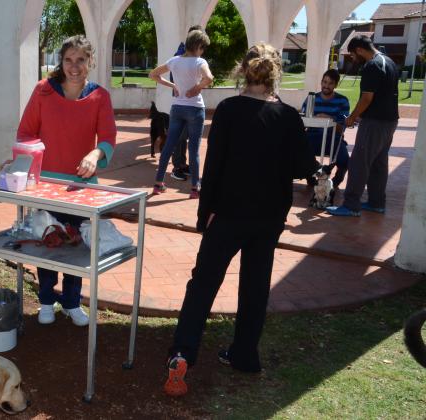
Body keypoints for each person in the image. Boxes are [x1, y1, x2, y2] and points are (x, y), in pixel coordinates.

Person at [162, 43, 319, 397]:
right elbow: (303, 167)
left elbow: (213, 167)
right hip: (268, 218)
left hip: (229, 214)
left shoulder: (230, 110)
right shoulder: (289, 116)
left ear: (243, 70)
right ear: (275, 73)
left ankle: (183, 352)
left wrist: (206, 216)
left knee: (203, 284)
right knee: (255, 285)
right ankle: (245, 355)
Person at [16, 35, 117, 327]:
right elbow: (25, 133)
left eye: (81, 60)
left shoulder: (101, 96)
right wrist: (27, 162)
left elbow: (108, 138)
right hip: (46, 184)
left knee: (76, 246)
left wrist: (95, 154)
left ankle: (72, 302)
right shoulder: (43, 91)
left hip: (81, 187)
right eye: (69, 60)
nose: (74, 67)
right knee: (48, 240)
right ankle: (46, 300)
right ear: (61, 61)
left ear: (90, 62)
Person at [327, 35, 398, 217]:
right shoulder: (388, 61)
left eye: (352, 54)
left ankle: (351, 205)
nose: (352, 58)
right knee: (378, 163)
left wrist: (352, 117)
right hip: (389, 121)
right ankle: (376, 203)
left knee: (359, 162)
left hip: (374, 123)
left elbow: (367, 98)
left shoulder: (371, 66)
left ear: (359, 50)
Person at [149, 30, 213, 199]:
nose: (202, 51)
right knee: (194, 150)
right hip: (195, 108)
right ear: (199, 46)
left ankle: (158, 184)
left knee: (169, 145)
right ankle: (195, 188)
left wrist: (173, 86)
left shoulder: (174, 61)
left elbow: (153, 74)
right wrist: (197, 88)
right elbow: (209, 78)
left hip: (177, 108)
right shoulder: (200, 61)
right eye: (203, 48)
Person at [301, 69, 351, 192]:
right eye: (324, 82)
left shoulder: (342, 101)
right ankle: (311, 178)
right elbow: (303, 119)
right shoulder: (312, 98)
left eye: (330, 83)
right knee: (301, 151)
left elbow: (341, 128)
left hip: (333, 138)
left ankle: (335, 182)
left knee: (344, 159)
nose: (326, 86)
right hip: (313, 136)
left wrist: (330, 119)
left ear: (336, 85)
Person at [168, 25, 204, 182]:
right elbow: (172, 76)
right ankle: (177, 167)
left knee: (186, 136)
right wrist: (176, 87)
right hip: (182, 103)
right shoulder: (181, 54)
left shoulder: (194, 55)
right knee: (180, 137)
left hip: (191, 103)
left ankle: (183, 165)